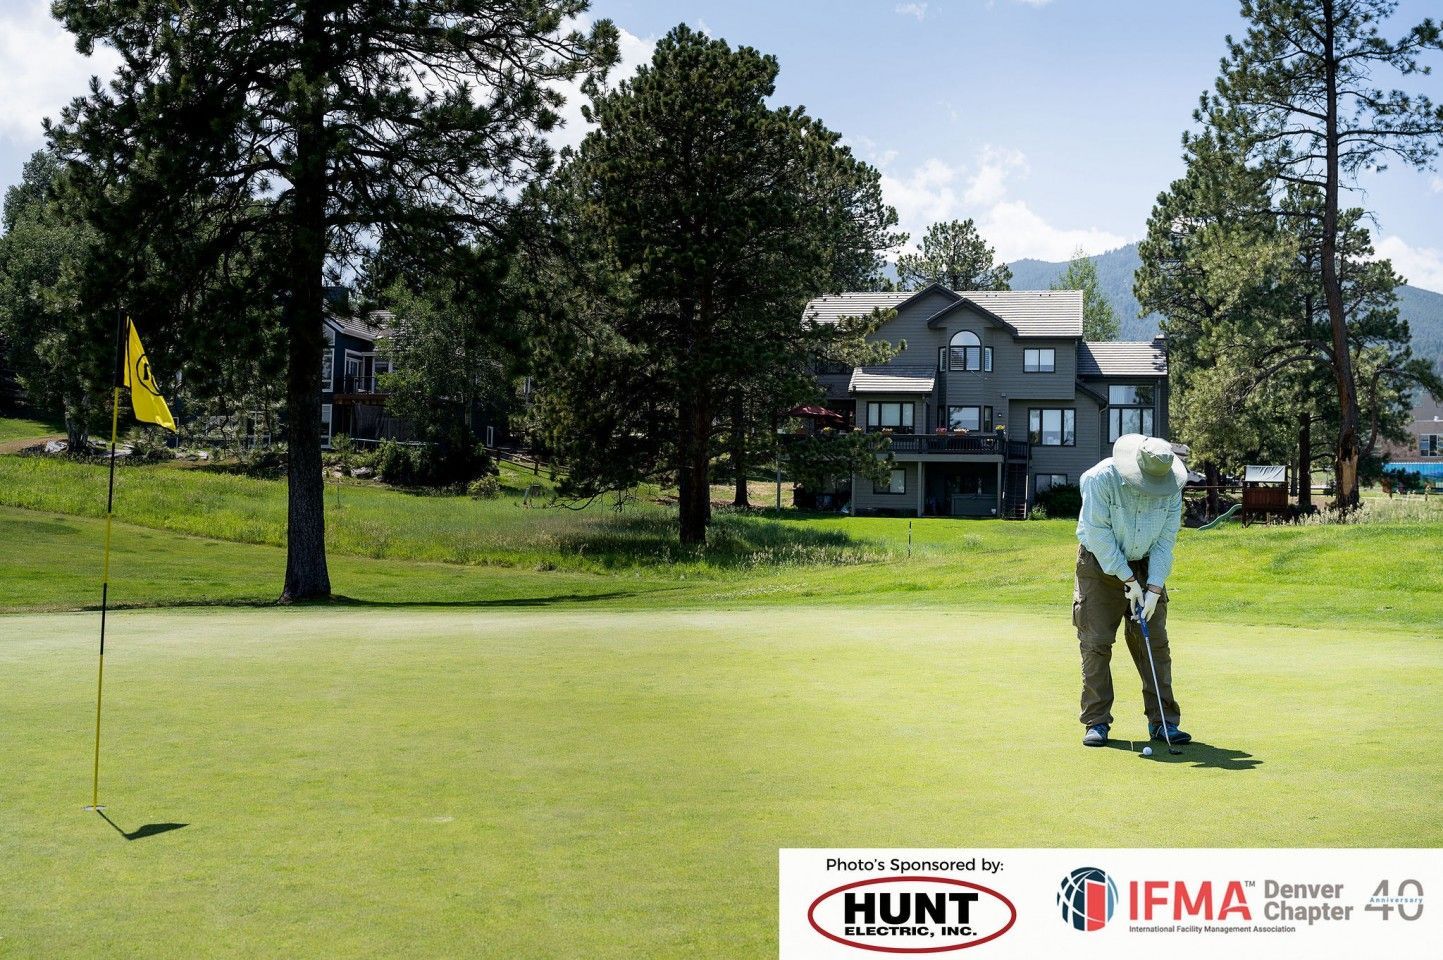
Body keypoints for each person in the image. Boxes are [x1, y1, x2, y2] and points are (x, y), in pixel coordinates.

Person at [1073, 434, 1190, 748]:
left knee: (1155, 644)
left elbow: (1166, 541)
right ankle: (1096, 722)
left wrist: (1152, 588)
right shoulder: (1099, 480)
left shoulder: (1171, 488)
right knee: (1096, 642)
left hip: (1148, 562)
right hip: (1100, 565)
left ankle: (1164, 722)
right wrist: (1128, 579)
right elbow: (1097, 534)